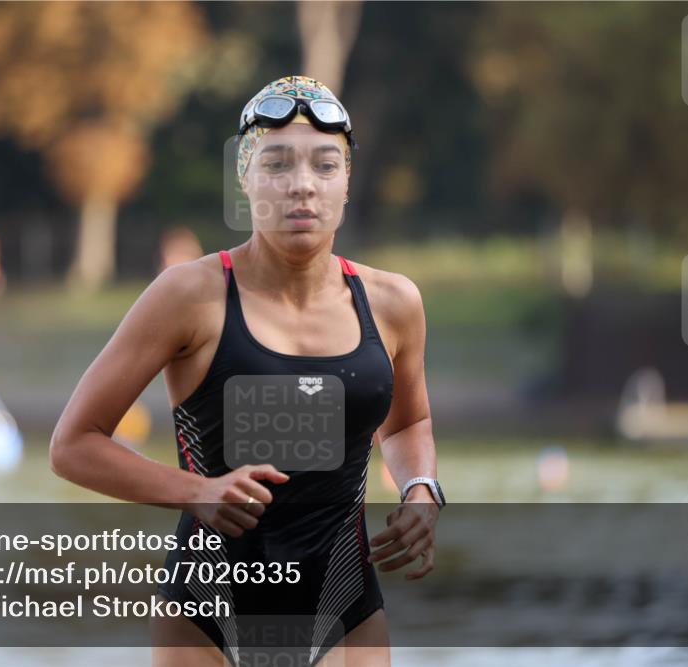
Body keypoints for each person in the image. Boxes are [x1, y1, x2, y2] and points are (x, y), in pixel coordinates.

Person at [50, 75, 442, 667]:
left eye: (325, 165)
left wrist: (420, 489)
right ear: (245, 179)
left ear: (346, 182)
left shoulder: (393, 303)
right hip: (207, 619)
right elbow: (73, 445)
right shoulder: (188, 295)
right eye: (277, 164)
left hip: (346, 614)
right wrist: (199, 492)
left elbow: (408, 424)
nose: (302, 184)